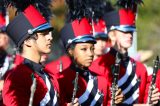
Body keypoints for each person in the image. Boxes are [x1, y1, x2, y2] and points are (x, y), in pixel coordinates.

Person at [93, 0, 160, 105]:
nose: (129, 35)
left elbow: (143, 101)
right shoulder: (97, 66)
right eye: (124, 31)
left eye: (131, 31)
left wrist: (150, 101)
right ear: (111, 34)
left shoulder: (140, 69)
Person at [2, 1, 61, 105]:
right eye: (44, 34)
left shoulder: (50, 76)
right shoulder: (16, 77)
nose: (50, 37)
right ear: (28, 41)